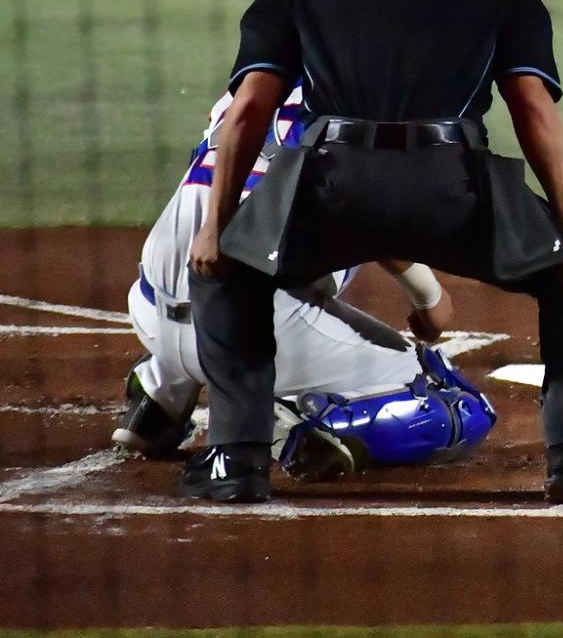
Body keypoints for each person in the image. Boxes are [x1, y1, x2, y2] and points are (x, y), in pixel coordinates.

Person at [183, 0, 563, 504]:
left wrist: (216, 229)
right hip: (450, 192)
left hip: (329, 189)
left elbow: (249, 111)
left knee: (229, 271)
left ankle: (236, 459)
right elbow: (533, 113)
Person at [115, 84, 496, 481]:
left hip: (149, 308)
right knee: (450, 407)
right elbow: (375, 221)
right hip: (247, 338)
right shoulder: (372, 104)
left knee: (266, 242)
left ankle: (160, 397)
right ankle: (286, 421)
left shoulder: (257, 84)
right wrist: (429, 297)